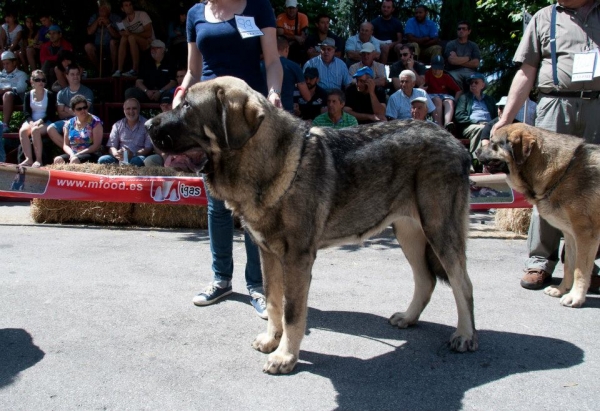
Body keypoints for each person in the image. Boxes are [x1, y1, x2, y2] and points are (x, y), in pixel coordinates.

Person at [177, 0, 283, 318]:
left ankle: (258, 286)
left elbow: (273, 61)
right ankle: (221, 279)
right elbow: (194, 71)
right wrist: (182, 90)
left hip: (245, 114)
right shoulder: (196, 14)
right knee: (216, 202)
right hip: (208, 115)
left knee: (252, 203)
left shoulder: (259, 8)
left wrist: (274, 91)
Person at [491, 0, 600, 291]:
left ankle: (585, 267)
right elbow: (526, 72)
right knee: (542, 184)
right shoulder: (543, 17)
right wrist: (506, 118)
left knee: (593, 192)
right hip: (555, 104)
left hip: (598, 105)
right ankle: (540, 261)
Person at [46, 64, 95, 149]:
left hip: (84, 121)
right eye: (72, 74)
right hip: (66, 122)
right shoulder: (61, 94)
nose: (75, 76)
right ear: (67, 76)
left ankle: (76, 152)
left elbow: (83, 112)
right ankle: (71, 151)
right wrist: (75, 111)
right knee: (50, 128)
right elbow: (61, 115)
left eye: (77, 74)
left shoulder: (87, 92)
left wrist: (65, 108)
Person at [18, 70, 57, 167]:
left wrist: (40, 121)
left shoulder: (50, 95)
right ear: (32, 81)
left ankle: (39, 160)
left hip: (46, 121)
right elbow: (26, 112)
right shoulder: (28, 95)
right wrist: (31, 122)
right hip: (31, 120)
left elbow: (51, 113)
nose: (41, 82)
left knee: (35, 130)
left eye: (43, 80)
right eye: (37, 80)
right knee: (23, 131)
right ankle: (28, 159)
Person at [98, 98, 152, 167]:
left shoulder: (147, 125)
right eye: (128, 109)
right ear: (124, 110)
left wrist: (133, 154)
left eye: (134, 108)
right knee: (102, 160)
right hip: (119, 157)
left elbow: (148, 148)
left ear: (139, 109)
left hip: (137, 157)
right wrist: (116, 154)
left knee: (136, 161)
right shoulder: (117, 125)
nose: (131, 111)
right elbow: (112, 146)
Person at [53, 95, 102, 164]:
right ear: (73, 111)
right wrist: (72, 154)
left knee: (74, 161)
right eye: (79, 109)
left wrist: (78, 154)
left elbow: (96, 146)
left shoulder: (95, 122)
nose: (83, 110)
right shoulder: (69, 123)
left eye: (85, 107)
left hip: (91, 153)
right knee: (58, 160)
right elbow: (66, 145)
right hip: (74, 154)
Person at [455, 72, 496, 155]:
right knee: (481, 129)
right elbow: (459, 116)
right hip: (470, 126)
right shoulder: (464, 98)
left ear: (483, 85)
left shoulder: (490, 99)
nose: (473, 84)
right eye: (471, 83)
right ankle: (476, 159)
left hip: (489, 125)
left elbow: (496, 115)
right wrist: (477, 122)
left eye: (476, 82)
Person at [112, 0, 155, 77]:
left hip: (148, 42)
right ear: (122, 9)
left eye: (130, 4)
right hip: (133, 45)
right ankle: (119, 69)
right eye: (126, 5)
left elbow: (149, 33)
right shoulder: (124, 22)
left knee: (131, 37)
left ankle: (135, 69)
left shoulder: (142, 14)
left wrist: (131, 34)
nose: (129, 7)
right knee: (124, 38)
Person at [424, 55, 462, 130]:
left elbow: (458, 90)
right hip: (431, 95)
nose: (437, 71)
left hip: (444, 95)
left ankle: (447, 124)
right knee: (437, 100)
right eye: (435, 68)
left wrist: (455, 101)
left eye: (439, 69)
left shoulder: (446, 76)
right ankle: (439, 124)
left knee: (449, 102)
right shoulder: (427, 74)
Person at [84, 0, 121, 76]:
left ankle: (114, 69)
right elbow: (89, 32)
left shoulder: (116, 18)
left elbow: (118, 35)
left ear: (109, 10)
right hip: (98, 45)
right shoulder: (94, 17)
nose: (101, 10)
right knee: (88, 47)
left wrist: (108, 24)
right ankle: (99, 69)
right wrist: (97, 22)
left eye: (104, 8)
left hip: (111, 46)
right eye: (100, 8)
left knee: (113, 42)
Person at [276, 36, 311, 113]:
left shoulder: (261, 65)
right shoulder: (294, 67)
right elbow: (307, 96)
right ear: (287, 49)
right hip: (286, 111)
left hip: (265, 110)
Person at [444, 21, 482, 90]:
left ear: (469, 31)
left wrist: (458, 59)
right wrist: (468, 58)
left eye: (464, 29)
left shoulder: (473, 46)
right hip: (454, 71)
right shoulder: (451, 44)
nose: (461, 30)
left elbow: (476, 63)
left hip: (470, 72)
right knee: (452, 81)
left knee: (483, 83)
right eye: (459, 29)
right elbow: (452, 61)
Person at [0, 51, 28, 132]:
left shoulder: (21, 74)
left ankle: (5, 125)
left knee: (8, 94)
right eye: (4, 64)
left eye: (7, 63)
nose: (5, 66)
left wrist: (6, 89)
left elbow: (22, 88)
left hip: (15, 97)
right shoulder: (0, 74)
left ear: (14, 62)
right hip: (1, 95)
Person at [370, 0, 404, 64]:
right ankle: (382, 71)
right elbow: (370, 37)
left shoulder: (397, 23)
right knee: (385, 47)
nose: (385, 9)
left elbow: (399, 40)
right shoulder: (374, 22)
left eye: (388, 7)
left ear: (392, 9)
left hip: (393, 46)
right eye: (384, 7)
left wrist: (392, 44)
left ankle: (401, 70)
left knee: (400, 46)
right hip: (378, 46)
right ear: (381, 7)